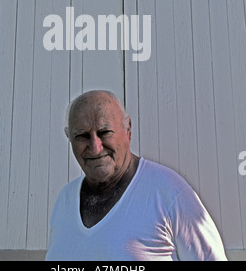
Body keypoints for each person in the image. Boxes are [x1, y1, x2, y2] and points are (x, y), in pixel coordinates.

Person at [45, 90, 227, 261]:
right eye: (82, 136)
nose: (95, 147)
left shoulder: (169, 192)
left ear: (128, 129)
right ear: (69, 138)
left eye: (105, 132)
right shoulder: (65, 200)